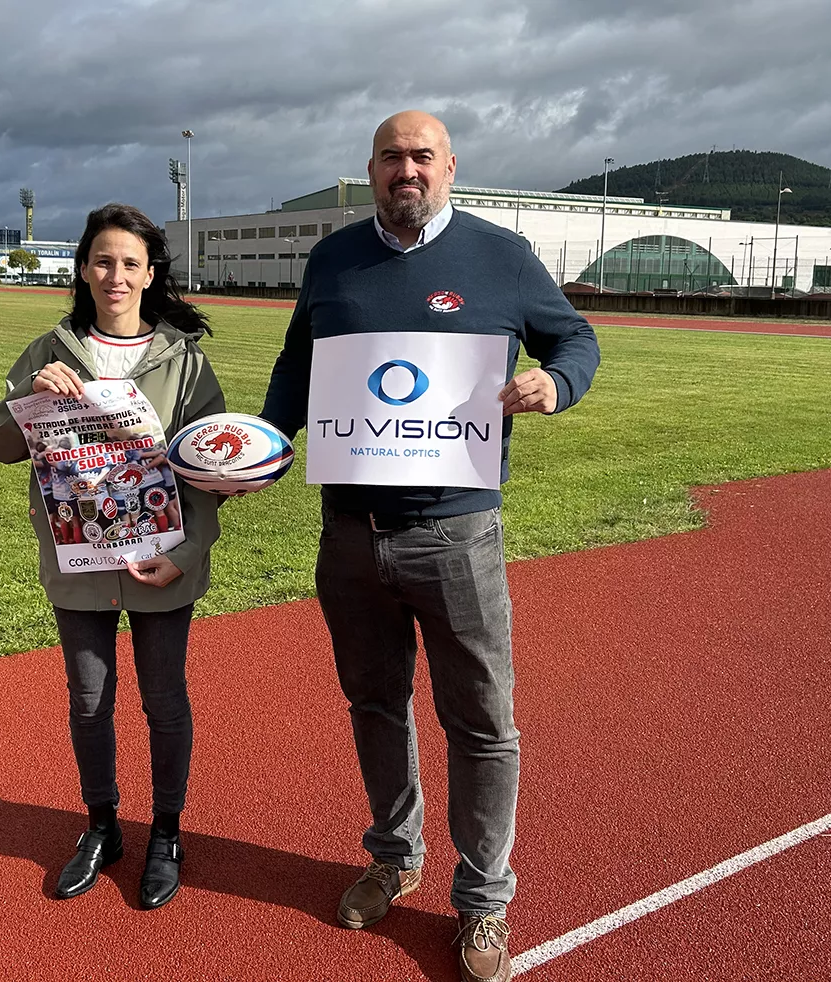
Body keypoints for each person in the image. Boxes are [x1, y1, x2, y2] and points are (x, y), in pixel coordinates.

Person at [259, 111, 600, 982]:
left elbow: (574, 337)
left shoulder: (501, 254)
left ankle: (484, 900)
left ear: (450, 166)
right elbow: (299, 368)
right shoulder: (333, 257)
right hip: (348, 537)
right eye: (389, 157)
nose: (404, 170)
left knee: (481, 724)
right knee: (374, 706)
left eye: (421, 156)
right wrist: (258, 442)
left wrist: (553, 383)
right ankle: (393, 855)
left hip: (457, 535)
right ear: (369, 169)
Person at [0, 203, 225, 910]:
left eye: (129, 264)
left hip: (161, 561)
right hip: (79, 560)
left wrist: (188, 549)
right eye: (102, 261)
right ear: (84, 269)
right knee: (89, 702)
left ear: (151, 275)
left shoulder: (185, 362)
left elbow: (210, 472)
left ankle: (168, 834)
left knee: (164, 702)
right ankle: (102, 826)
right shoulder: (47, 351)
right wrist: (26, 397)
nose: (114, 276)